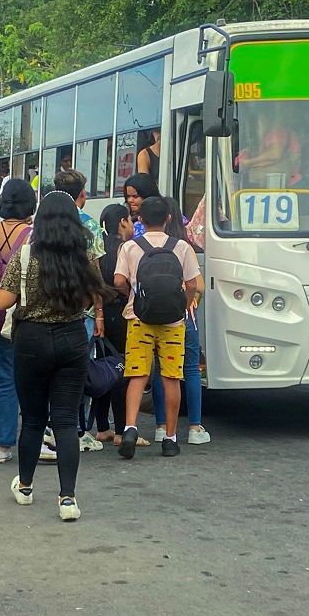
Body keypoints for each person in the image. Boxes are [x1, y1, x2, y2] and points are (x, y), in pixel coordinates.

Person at [0, 191, 107, 522]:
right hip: (72, 339)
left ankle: (26, 486)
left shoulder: (25, 255)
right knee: (66, 421)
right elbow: (93, 295)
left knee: (32, 419)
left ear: (40, 220)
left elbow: (2, 301)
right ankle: (68, 498)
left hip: (31, 340)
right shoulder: (85, 256)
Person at [114, 196, 202, 459]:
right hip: (173, 322)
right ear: (168, 219)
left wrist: (132, 294)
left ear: (140, 219)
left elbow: (118, 280)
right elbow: (193, 285)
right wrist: (183, 306)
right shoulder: (182, 247)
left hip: (139, 319)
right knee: (171, 377)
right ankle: (170, 438)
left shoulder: (130, 247)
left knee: (138, 375)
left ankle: (130, 427)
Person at [52, 169, 106, 452]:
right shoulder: (89, 226)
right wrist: (99, 313)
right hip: (80, 312)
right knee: (77, 371)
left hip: (47, 310)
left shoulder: (42, 224)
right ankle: (76, 427)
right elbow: (94, 274)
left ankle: (52, 425)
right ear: (82, 195)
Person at [0, 179, 36, 464]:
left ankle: (2, 446)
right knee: (31, 379)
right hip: (21, 309)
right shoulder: (31, 234)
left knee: (4, 378)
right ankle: (34, 437)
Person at [88, 204, 149, 449]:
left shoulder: (98, 248)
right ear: (123, 222)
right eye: (130, 221)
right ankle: (123, 431)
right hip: (122, 311)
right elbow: (125, 281)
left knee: (104, 368)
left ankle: (102, 427)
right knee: (122, 370)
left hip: (101, 315)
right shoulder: (127, 248)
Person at [150, 198, 210, 445]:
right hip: (183, 317)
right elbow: (200, 287)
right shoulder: (184, 246)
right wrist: (188, 303)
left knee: (160, 370)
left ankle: (161, 426)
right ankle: (195, 428)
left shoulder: (143, 245)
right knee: (190, 370)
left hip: (153, 317)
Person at [123, 172, 161, 236]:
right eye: (128, 196)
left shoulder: (161, 218)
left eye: (135, 196)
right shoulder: (126, 219)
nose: (130, 200)